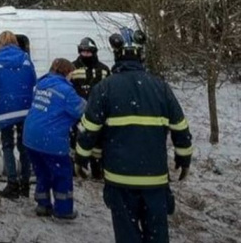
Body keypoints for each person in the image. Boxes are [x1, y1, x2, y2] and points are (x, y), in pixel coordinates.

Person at [77, 28, 192, 243]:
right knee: (157, 235)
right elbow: (181, 128)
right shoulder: (161, 87)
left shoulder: (104, 88)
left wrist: (80, 159)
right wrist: (183, 159)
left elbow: (88, 130)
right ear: (141, 56)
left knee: (127, 235)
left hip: (119, 180)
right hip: (155, 178)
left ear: (116, 55)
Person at [23, 58, 86, 220]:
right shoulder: (66, 90)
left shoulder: (41, 84)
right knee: (62, 174)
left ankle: (43, 205)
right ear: (66, 72)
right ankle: (64, 210)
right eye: (71, 74)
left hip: (30, 138)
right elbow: (80, 110)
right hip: (51, 141)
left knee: (42, 172)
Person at [0, 30, 37, 199]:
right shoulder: (25, 58)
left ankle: (12, 183)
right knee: (24, 147)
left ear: (0, 43)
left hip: (6, 107)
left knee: (7, 145)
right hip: (25, 107)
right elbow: (33, 80)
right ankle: (25, 184)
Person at [70, 37, 111, 179]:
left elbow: (110, 92)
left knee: (98, 143)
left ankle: (97, 169)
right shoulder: (73, 68)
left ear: (94, 52)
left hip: (99, 113)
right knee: (77, 139)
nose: (86, 54)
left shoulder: (104, 70)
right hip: (78, 112)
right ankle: (77, 168)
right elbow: (68, 90)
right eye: (83, 52)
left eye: (88, 52)